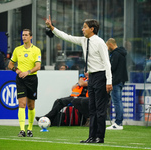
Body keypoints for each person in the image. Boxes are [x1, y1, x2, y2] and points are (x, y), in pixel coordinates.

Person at [46, 15, 112, 143]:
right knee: (92, 109)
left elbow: (107, 63)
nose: (82, 29)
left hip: (101, 76)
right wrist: (52, 28)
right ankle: (91, 137)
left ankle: (100, 137)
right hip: (92, 77)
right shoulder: (84, 40)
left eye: (85, 27)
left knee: (100, 110)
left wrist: (109, 81)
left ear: (92, 29)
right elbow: (66, 37)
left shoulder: (100, 43)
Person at [8, 29, 41, 137]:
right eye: (23, 35)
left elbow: (38, 66)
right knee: (21, 104)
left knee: (31, 106)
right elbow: (10, 64)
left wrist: (28, 72)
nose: (24, 37)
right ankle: (22, 130)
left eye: (26, 35)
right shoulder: (17, 50)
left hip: (32, 79)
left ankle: (30, 129)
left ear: (31, 37)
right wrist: (16, 70)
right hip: (21, 79)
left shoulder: (36, 50)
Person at [105, 38, 128, 130]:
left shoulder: (115, 54)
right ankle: (119, 122)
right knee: (119, 101)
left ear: (110, 45)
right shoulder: (121, 53)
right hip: (121, 80)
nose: (107, 49)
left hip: (115, 81)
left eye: (107, 46)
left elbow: (112, 68)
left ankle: (118, 123)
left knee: (117, 102)